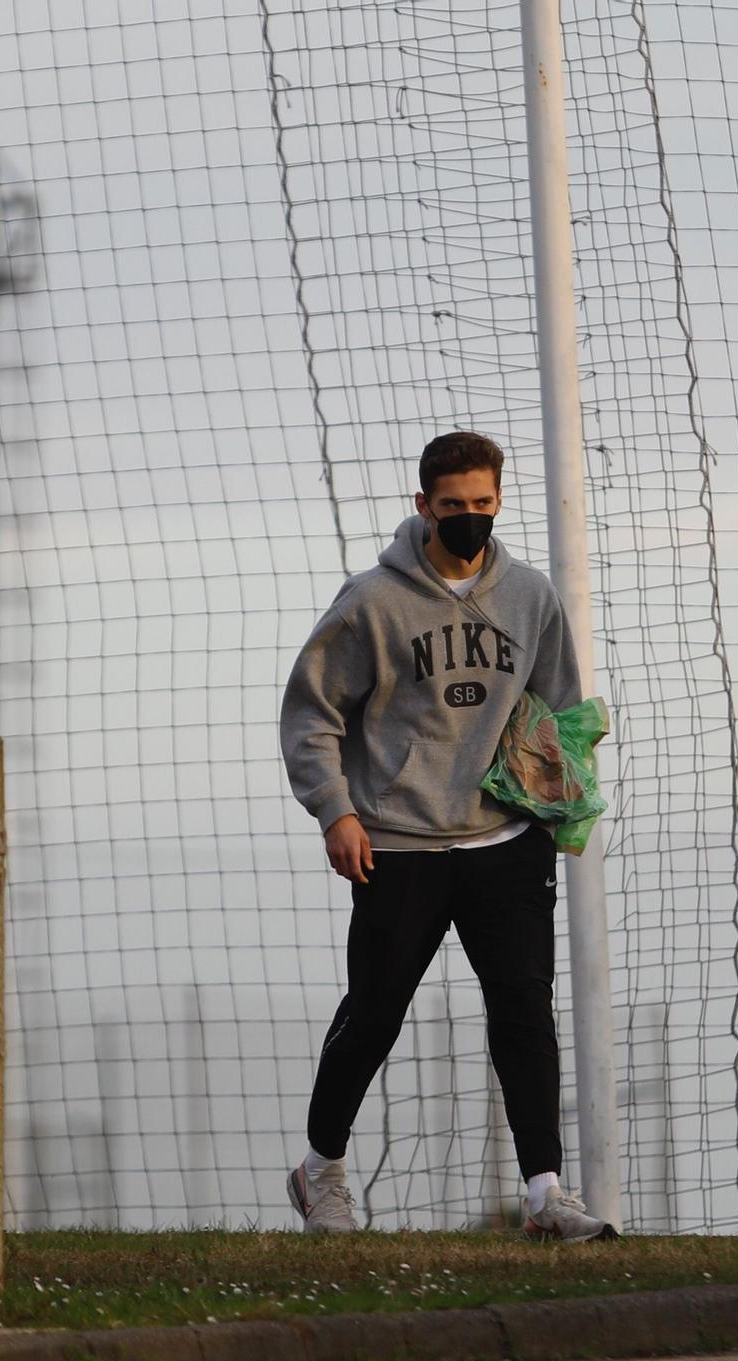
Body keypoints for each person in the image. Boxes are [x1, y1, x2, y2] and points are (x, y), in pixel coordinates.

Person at [279, 431, 617, 1241]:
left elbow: (560, 710)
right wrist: (338, 811)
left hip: (505, 840)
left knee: (524, 1011)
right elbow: (312, 713)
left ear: (499, 501)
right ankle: (320, 1171)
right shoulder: (372, 601)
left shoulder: (531, 596)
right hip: (397, 841)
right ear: (424, 502)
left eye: (484, 504)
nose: (470, 518)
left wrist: (557, 799)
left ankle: (545, 1194)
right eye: (454, 505)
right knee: (375, 1013)